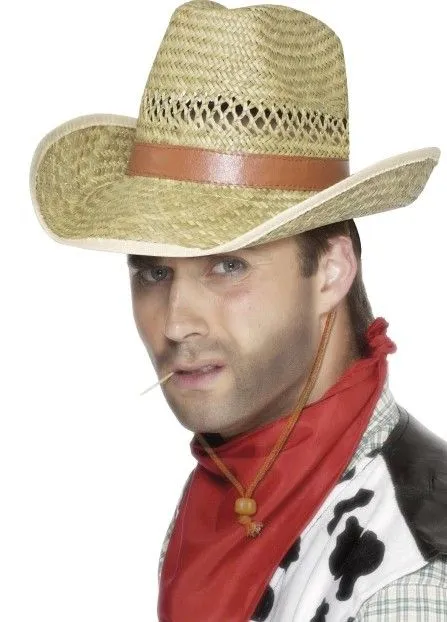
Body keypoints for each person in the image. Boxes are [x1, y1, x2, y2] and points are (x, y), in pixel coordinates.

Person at [29, 1, 447, 620]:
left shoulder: (410, 575)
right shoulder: (236, 481)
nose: (176, 323)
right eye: (153, 271)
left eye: (227, 266)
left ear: (331, 270)